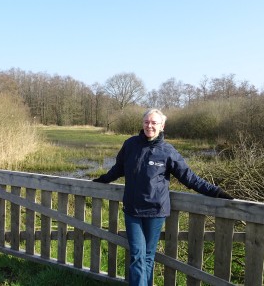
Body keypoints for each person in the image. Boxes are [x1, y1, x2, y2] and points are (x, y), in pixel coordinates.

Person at [92, 108, 233, 286]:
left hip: (156, 211)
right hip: (132, 210)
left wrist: (216, 192)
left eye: (154, 123)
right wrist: (102, 179)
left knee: (148, 256)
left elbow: (189, 178)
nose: (149, 126)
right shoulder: (130, 145)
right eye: (146, 122)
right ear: (142, 124)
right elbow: (118, 169)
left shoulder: (167, 151)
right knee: (137, 255)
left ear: (162, 126)